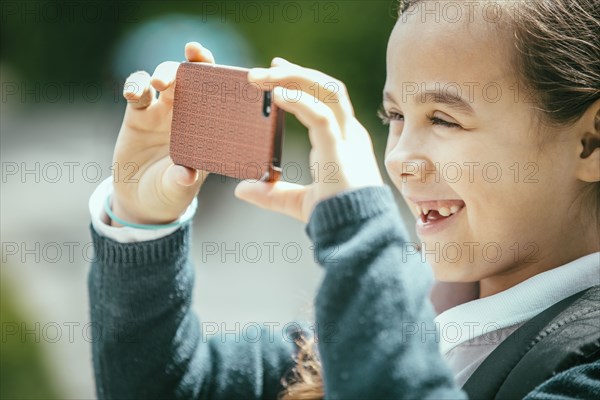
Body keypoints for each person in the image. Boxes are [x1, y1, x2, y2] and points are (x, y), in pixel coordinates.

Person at [87, 0, 600, 398]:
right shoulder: (410, 311)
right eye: (394, 118)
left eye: (443, 119)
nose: (399, 158)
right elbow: (167, 387)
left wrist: (362, 237)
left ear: (591, 142)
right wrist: (143, 224)